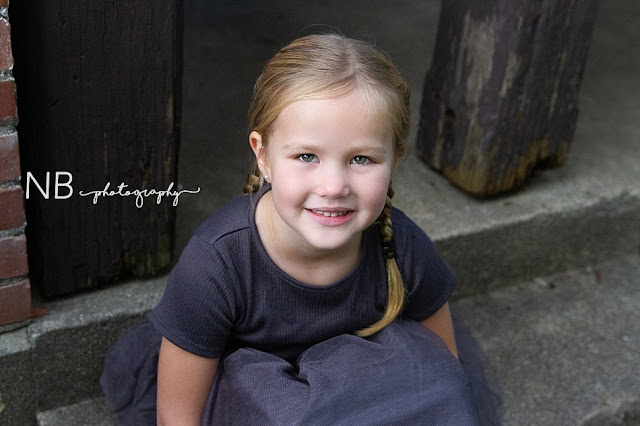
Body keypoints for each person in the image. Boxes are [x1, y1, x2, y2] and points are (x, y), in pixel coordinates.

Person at [101, 33, 501, 425]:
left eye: (361, 159)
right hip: (255, 408)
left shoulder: (399, 244)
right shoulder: (216, 264)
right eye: (307, 156)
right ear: (263, 156)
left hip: (359, 394)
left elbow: (442, 378)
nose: (334, 187)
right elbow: (177, 417)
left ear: (394, 159)